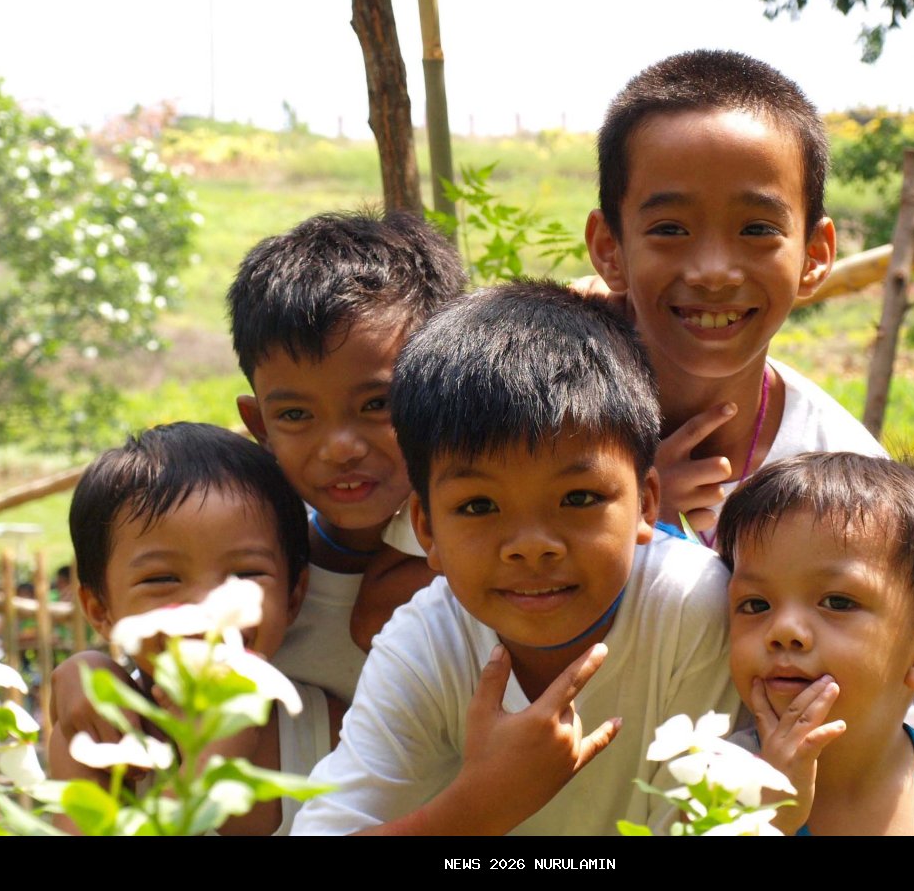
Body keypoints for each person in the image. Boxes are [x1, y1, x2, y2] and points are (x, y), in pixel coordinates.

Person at [292, 280, 737, 836]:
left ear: (647, 503)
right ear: (426, 527)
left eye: (578, 498)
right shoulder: (428, 642)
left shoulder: (694, 608)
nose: (531, 544)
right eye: (479, 505)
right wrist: (476, 810)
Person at [584, 49, 885, 546]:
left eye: (758, 229)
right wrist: (627, 506)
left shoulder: (854, 494)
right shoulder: (529, 419)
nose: (713, 273)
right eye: (669, 229)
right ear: (609, 249)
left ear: (814, 255)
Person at [50, 422, 344, 835]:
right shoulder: (97, 742)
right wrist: (208, 766)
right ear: (100, 610)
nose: (207, 609)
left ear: (293, 596)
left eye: (245, 573)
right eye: (161, 579)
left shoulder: (331, 729)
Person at [228, 210, 466, 688]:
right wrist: (94, 672)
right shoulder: (249, 594)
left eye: (377, 403)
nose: (339, 449)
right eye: (295, 415)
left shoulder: (510, 566)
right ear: (260, 427)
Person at [716, 452, 914, 835]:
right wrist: (764, 824)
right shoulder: (714, 787)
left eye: (837, 602)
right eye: (756, 605)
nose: (783, 629)